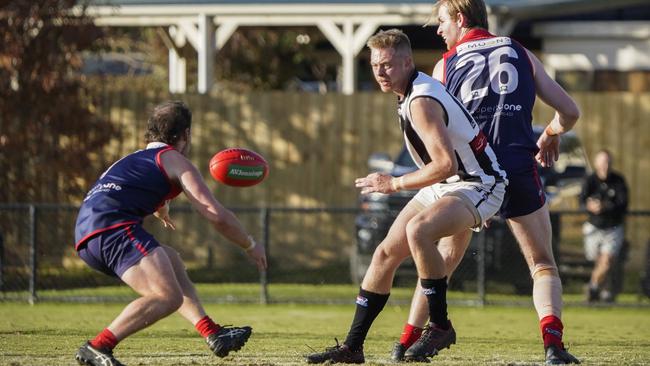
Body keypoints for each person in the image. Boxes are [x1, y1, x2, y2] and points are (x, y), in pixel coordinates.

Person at [391, 1, 582, 364]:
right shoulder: (517, 50)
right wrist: (552, 133)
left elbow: (435, 130)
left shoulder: (446, 65)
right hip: (517, 166)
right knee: (542, 265)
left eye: (442, 21)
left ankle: (405, 342)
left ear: (461, 19)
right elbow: (570, 111)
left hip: (472, 174)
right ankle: (553, 346)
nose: (438, 30)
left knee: (440, 261)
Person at [306, 28, 507, 364]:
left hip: (478, 183)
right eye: (374, 66)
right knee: (384, 254)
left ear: (407, 62)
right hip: (447, 186)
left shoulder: (421, 100)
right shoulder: (409, 92)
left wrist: (394, 184)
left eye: (387, 65)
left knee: (419, 231)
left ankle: (440, 326)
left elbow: (445, 164)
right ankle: (353, 347)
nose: (380, 72)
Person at [73, 100, 267, 366]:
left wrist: (160, 208)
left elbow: (125, 189)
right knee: (167, 296)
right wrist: (249, 244)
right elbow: (214, 214)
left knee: (171, 261)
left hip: (87, 236)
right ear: (186, 134)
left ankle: (213, 333)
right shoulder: (175, 160)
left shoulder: (132, 159)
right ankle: (98, 346)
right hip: (113, 228)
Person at [580, 149, 628, 302]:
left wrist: (605, 206)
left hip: (612, 229)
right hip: (593, 227)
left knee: (606, 262)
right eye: (602, 162)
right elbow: (581, 202)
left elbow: (623, 204)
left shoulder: (619, 181)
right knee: (599, 263)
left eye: (607, 162)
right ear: (596, 163)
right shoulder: (589, 180)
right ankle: (604, 292)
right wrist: (590, 206)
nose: (605, 166)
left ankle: (593, 288)